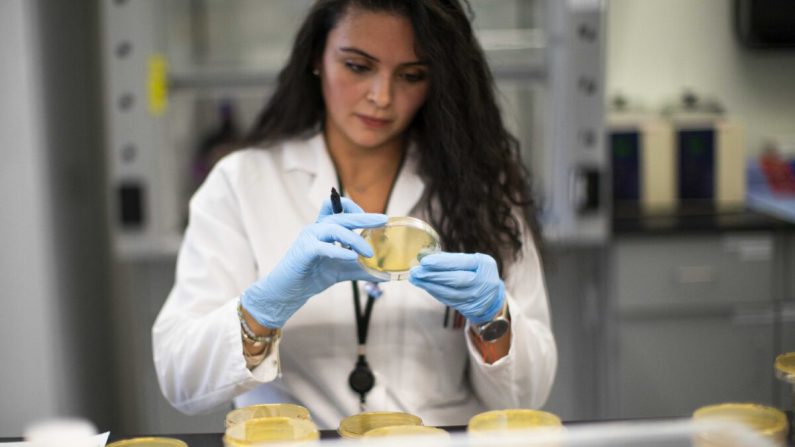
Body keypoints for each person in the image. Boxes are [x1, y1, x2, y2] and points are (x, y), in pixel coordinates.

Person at [153, 0, 557, 430]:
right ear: (316, 58)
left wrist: (492, 318)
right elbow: (181, 380)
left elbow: (525, 397)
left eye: (412, 75)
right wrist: (267, 306)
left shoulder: (482, 187)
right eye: (358, 66)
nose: (382, 96)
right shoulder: (241, 183)